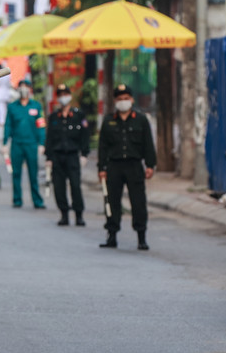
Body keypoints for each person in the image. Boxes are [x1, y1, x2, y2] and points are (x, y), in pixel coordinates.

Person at [97, 84, 156, 250]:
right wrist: (101, 168)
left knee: (138, 202)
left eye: (126, 99)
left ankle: (141, 237)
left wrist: (150, 165)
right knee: (112, 201)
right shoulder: (109, 121)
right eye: (120, 99)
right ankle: (112, 235)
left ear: (132, 100)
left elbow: (148, 144)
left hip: (134, 165)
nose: (123, 102)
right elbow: (103, 147)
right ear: (115, 101)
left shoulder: (141, 120)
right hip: (114, 166)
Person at [44, 83, 90, 225]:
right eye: (60, 95)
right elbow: (49, 138)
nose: (63, 98)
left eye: (65, 95)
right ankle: (64, 214)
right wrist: (49, 157)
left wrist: (84, 154)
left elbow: (85, 136)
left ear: (69, 96)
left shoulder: (78, 115)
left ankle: (79, 215)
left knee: (75, 185)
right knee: (59, 187)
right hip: (57, 156)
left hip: (72, 155)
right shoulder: (54, 116)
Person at [3, 79, 46, 208]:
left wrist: (42, 143)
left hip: (31, 144)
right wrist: (5, 143)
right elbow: (8, 125)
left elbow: (41, 125)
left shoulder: (36, 106)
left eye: (26, 87)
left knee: (33, 173)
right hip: (17, 144)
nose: (23, 89)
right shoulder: (12, 107)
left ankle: (37, 201)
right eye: (21, 87)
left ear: (30, 89)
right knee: (16, 173)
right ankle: (17, 199)